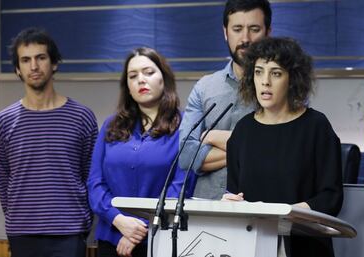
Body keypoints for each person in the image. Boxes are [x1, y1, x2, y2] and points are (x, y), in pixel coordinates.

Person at [224, 37, 343, 257]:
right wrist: (229, 202)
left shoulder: (316, 126)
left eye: (276, 73)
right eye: (259, 72)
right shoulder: (243, 130)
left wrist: (288, 215)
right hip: (253, 245)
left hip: (304, 246)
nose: (265, 81)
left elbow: (331, 196)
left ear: (292, 79)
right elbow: (235, 192)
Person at [0, 28, 98, 257]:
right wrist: (16, 222)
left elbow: (90, 176)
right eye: (26, 60)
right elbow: (4, 183)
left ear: (54, 63)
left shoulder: (82, 117)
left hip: (70, 233)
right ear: (18, 69)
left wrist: (83, 221)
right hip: (22, 234)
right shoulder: (2, 123)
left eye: (41, 57)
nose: (34, 66)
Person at [87, 47, 194, 257]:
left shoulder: (185, 126)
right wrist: (118, 219)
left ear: (164, 78)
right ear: (127, 86)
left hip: (161, 238)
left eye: (149, 72)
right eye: (133, 76)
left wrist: (139, 229)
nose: (141, 80)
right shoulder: (110, 126)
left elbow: (182, 187)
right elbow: (95, 183)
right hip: (111, 235)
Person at [179, 0, 272, 200]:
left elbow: (284, 151)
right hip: (207, 210)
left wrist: (211, 136)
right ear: (225, 32)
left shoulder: (283, 90)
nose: (245, 38)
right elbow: (186, 155)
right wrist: (251, 152)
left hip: (260, 210)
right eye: (237, 29)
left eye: (254, 29)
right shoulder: (204, 87)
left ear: (268, 32)